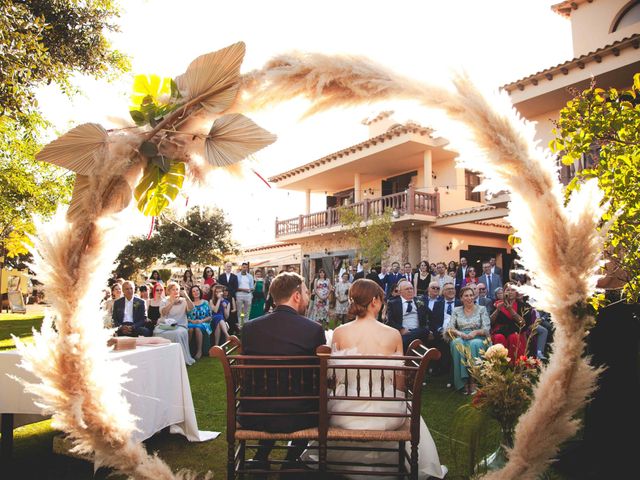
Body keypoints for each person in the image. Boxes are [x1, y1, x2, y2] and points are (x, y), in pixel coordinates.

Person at [305, 279, 446, 479]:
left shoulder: (340, 332)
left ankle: (342, 464)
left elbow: (336, 381)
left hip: (345, 412)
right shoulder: (392, 334)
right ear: (374, 301)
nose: (382, 303)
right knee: (409, 410)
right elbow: (399, 385)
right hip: (388, 412)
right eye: (381, 299)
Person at [240, 272, 326, 470]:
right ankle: (290, 460)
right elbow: (319, 374)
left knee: (275, 390)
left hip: (255, 412)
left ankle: (261, 458)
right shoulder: (313, 329)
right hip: (301, 414)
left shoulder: (250, 328)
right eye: (305, 292)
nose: (308, 296)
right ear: (296, 296)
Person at [447, 285, 491, 394]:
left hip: (479, 336)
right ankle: (463, 381)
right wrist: (459, 333)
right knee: (457, 343)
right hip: (461, 336)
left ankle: (474, 379)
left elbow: (486, 328)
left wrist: (475, 332)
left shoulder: (482, 309)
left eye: (471, 295)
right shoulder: (456, 310)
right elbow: (450, 328)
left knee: (474, 344)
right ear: (461, 298)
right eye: (466, 296)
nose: (469, 298)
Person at [153, 281, 195, 365]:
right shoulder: (164, 301)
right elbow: (163, 313)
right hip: (165, 325)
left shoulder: (183, 301)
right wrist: (172, 303)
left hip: (180, 325)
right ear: (168, 291)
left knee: (177, 333)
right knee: (156, 332)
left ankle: (180, 360)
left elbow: (191, 308)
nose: (176, 291)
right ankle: (161, 359)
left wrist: (186, 296)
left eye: (177, 289)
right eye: (173, 290)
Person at [489, 282, 533, 361]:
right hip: (500, 331)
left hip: (515, 331)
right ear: (504, 292)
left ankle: (514, 365)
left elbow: (523, 323)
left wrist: (510, 309)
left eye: (512, 290)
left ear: (516, 292)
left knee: (514, 337)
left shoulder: (523, 306)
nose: (510, 292)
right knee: (499, 337)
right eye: (507, 290)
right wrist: (497, 310)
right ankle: (498, 365)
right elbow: (490, 322)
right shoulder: (497, 304)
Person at [386, 279, 431, 352]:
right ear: (400, 292)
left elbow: (430, 315)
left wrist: (429, 329)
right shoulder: (393, 303)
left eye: (411, 288)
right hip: (403, 332)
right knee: (416, 341)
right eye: (407, 289)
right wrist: (401, 329)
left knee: (424, 331)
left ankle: (402, 343)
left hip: (419, 330)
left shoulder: (419, 301)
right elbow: (390, 321)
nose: (410, 291)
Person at [428, 282, 459, 376]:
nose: (451, 291)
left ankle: (450, 369)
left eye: (452, 288)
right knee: (439, 340)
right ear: (443, 292)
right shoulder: (438, 304)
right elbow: (434, 321)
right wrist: (439, 329)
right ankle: (441, 368)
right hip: (441, 332)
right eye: (448, 289)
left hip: (457, 331)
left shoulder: (460, 303)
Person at [186, 285, 212, 360]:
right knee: (190, 329)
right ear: (191, 293)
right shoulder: (189, 304)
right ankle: (188, 350)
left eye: (197, 290)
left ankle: (199, 351)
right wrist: (192, 321)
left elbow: (210, 316)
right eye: (193, 291)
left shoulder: (205, 302)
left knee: (197, 328)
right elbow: (186, 317)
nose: (196, 292)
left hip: (204, 323)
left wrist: (201, 321)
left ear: (199, 291)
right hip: (192, 323)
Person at [218, 261, 239, 333]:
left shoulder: (234, 276)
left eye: (230, 266)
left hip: (231, 296)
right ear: (225, 267)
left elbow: (236, 287)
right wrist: (223, 294)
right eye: (227, 266)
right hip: (222, 296)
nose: (229, 268)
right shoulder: (221, 276)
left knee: (232, 312)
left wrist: (230, 294)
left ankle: (232, 329)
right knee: (223, 311)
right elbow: (219, 286)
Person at [236, 262, 254, 328]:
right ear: (241, 267)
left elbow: (252, 287)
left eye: (246, 267)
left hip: (248, 295)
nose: (245, 268)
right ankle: (239, 325)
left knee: (247, 311)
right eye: (243, 267)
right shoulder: (237, 276)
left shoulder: (250, 276)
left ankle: (246, 325)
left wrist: (250, 290)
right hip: (239, 294)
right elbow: (235, 287)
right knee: (240, 311)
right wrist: (244, 289)